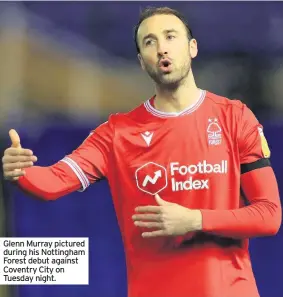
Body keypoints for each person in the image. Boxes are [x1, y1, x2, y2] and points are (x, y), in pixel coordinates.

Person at [2, 6, 282, 297]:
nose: (162, 48)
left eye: (170, 36)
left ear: (192, 47)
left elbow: (269, 215)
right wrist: (21, 171)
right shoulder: (117, 134)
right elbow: (52, 181)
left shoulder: (234, 117)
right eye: (150, 42)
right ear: (141, 61)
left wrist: (195, 220)